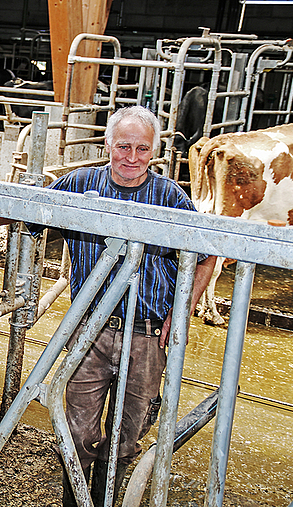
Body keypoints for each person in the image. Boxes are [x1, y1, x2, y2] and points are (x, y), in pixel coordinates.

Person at [43, 106, 216, 506]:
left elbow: (209, 253)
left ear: (154, 150)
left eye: (142, 148)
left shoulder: (170, 195)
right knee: (77, 430)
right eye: (123, 146)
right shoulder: (79, 184)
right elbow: (25, 213)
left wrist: (182, 308)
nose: (132, 157)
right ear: (107, 144)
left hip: (149, 335)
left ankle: (107, 499)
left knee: (127, 433)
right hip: (91, 330)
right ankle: (77, 500)